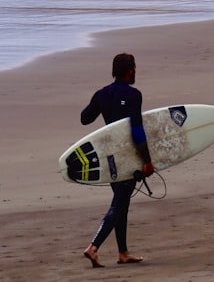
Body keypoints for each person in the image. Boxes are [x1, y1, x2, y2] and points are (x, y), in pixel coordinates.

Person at [80, 52, 154, 268]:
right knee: (119, 204)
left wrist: (101, 104)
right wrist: (147, 160)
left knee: (122, 203)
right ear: (130, 70)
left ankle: (123, 253)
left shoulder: (101, 94)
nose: (135, 73)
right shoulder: (134, 95)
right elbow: (137, 130)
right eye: (134, 69)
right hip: (128, 157)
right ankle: (93, 248)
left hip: (109, 157)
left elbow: (85, 119)